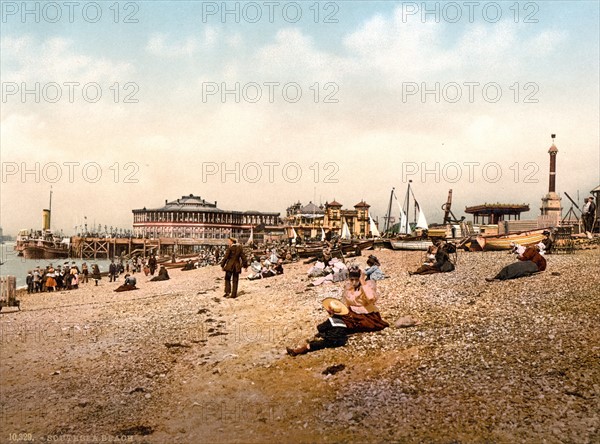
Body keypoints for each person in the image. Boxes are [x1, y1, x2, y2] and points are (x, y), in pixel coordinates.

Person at [287, 266, 388, 356]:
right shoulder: (349, 287)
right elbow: (345, 304)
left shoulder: (368, 285)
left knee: (337, 329)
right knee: (332, 322)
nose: (353, 282)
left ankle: (308, 346)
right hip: (352, 314)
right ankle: (316, 338)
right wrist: (335, 311)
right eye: (351, 279)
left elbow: (371, 298)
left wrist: (362, 281)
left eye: (355, 279)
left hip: (367, 316)